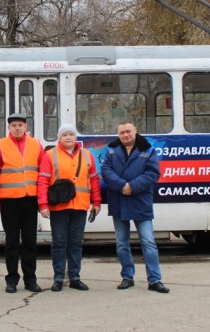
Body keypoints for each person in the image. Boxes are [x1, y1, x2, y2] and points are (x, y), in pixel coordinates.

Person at [101, 121, 169, 294]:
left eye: (128, 131)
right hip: (119, 201)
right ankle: (127, 277)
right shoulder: (111, 150)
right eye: (122, 132)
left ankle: (155, 280)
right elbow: (106, 170)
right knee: (122, 244)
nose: (125, 135)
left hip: (140, 201)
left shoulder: (148, 149)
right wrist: (122, 186)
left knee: (148, 242)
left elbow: (153, 173)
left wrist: (132, 186)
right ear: (118, 134)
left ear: (135, 131)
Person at [0, 112, 47, 293]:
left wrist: (42, 201)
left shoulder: (36, 145)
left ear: (26, 127)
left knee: (30, 242)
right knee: (12, 242)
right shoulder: (0, 146)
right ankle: (11, 279)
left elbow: (43, 174)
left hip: (30, 200)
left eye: (21, 125)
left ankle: (30, 280)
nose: (17, 128)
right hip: (8, 202)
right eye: (14, 125)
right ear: (9, 128)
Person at [37, 124, 101, 292]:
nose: (68, 137)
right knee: (59, 243)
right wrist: (43, 204)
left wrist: (97, 202)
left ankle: (75, 278)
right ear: (59, 138)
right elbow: (43, 181)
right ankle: (58, 278)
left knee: (75, 243)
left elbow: (94, 180)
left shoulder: (87, 155)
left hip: (80, 206)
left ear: (75, 137)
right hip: (59, 206)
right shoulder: (50, 155)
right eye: (64, 134)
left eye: (71, 134)